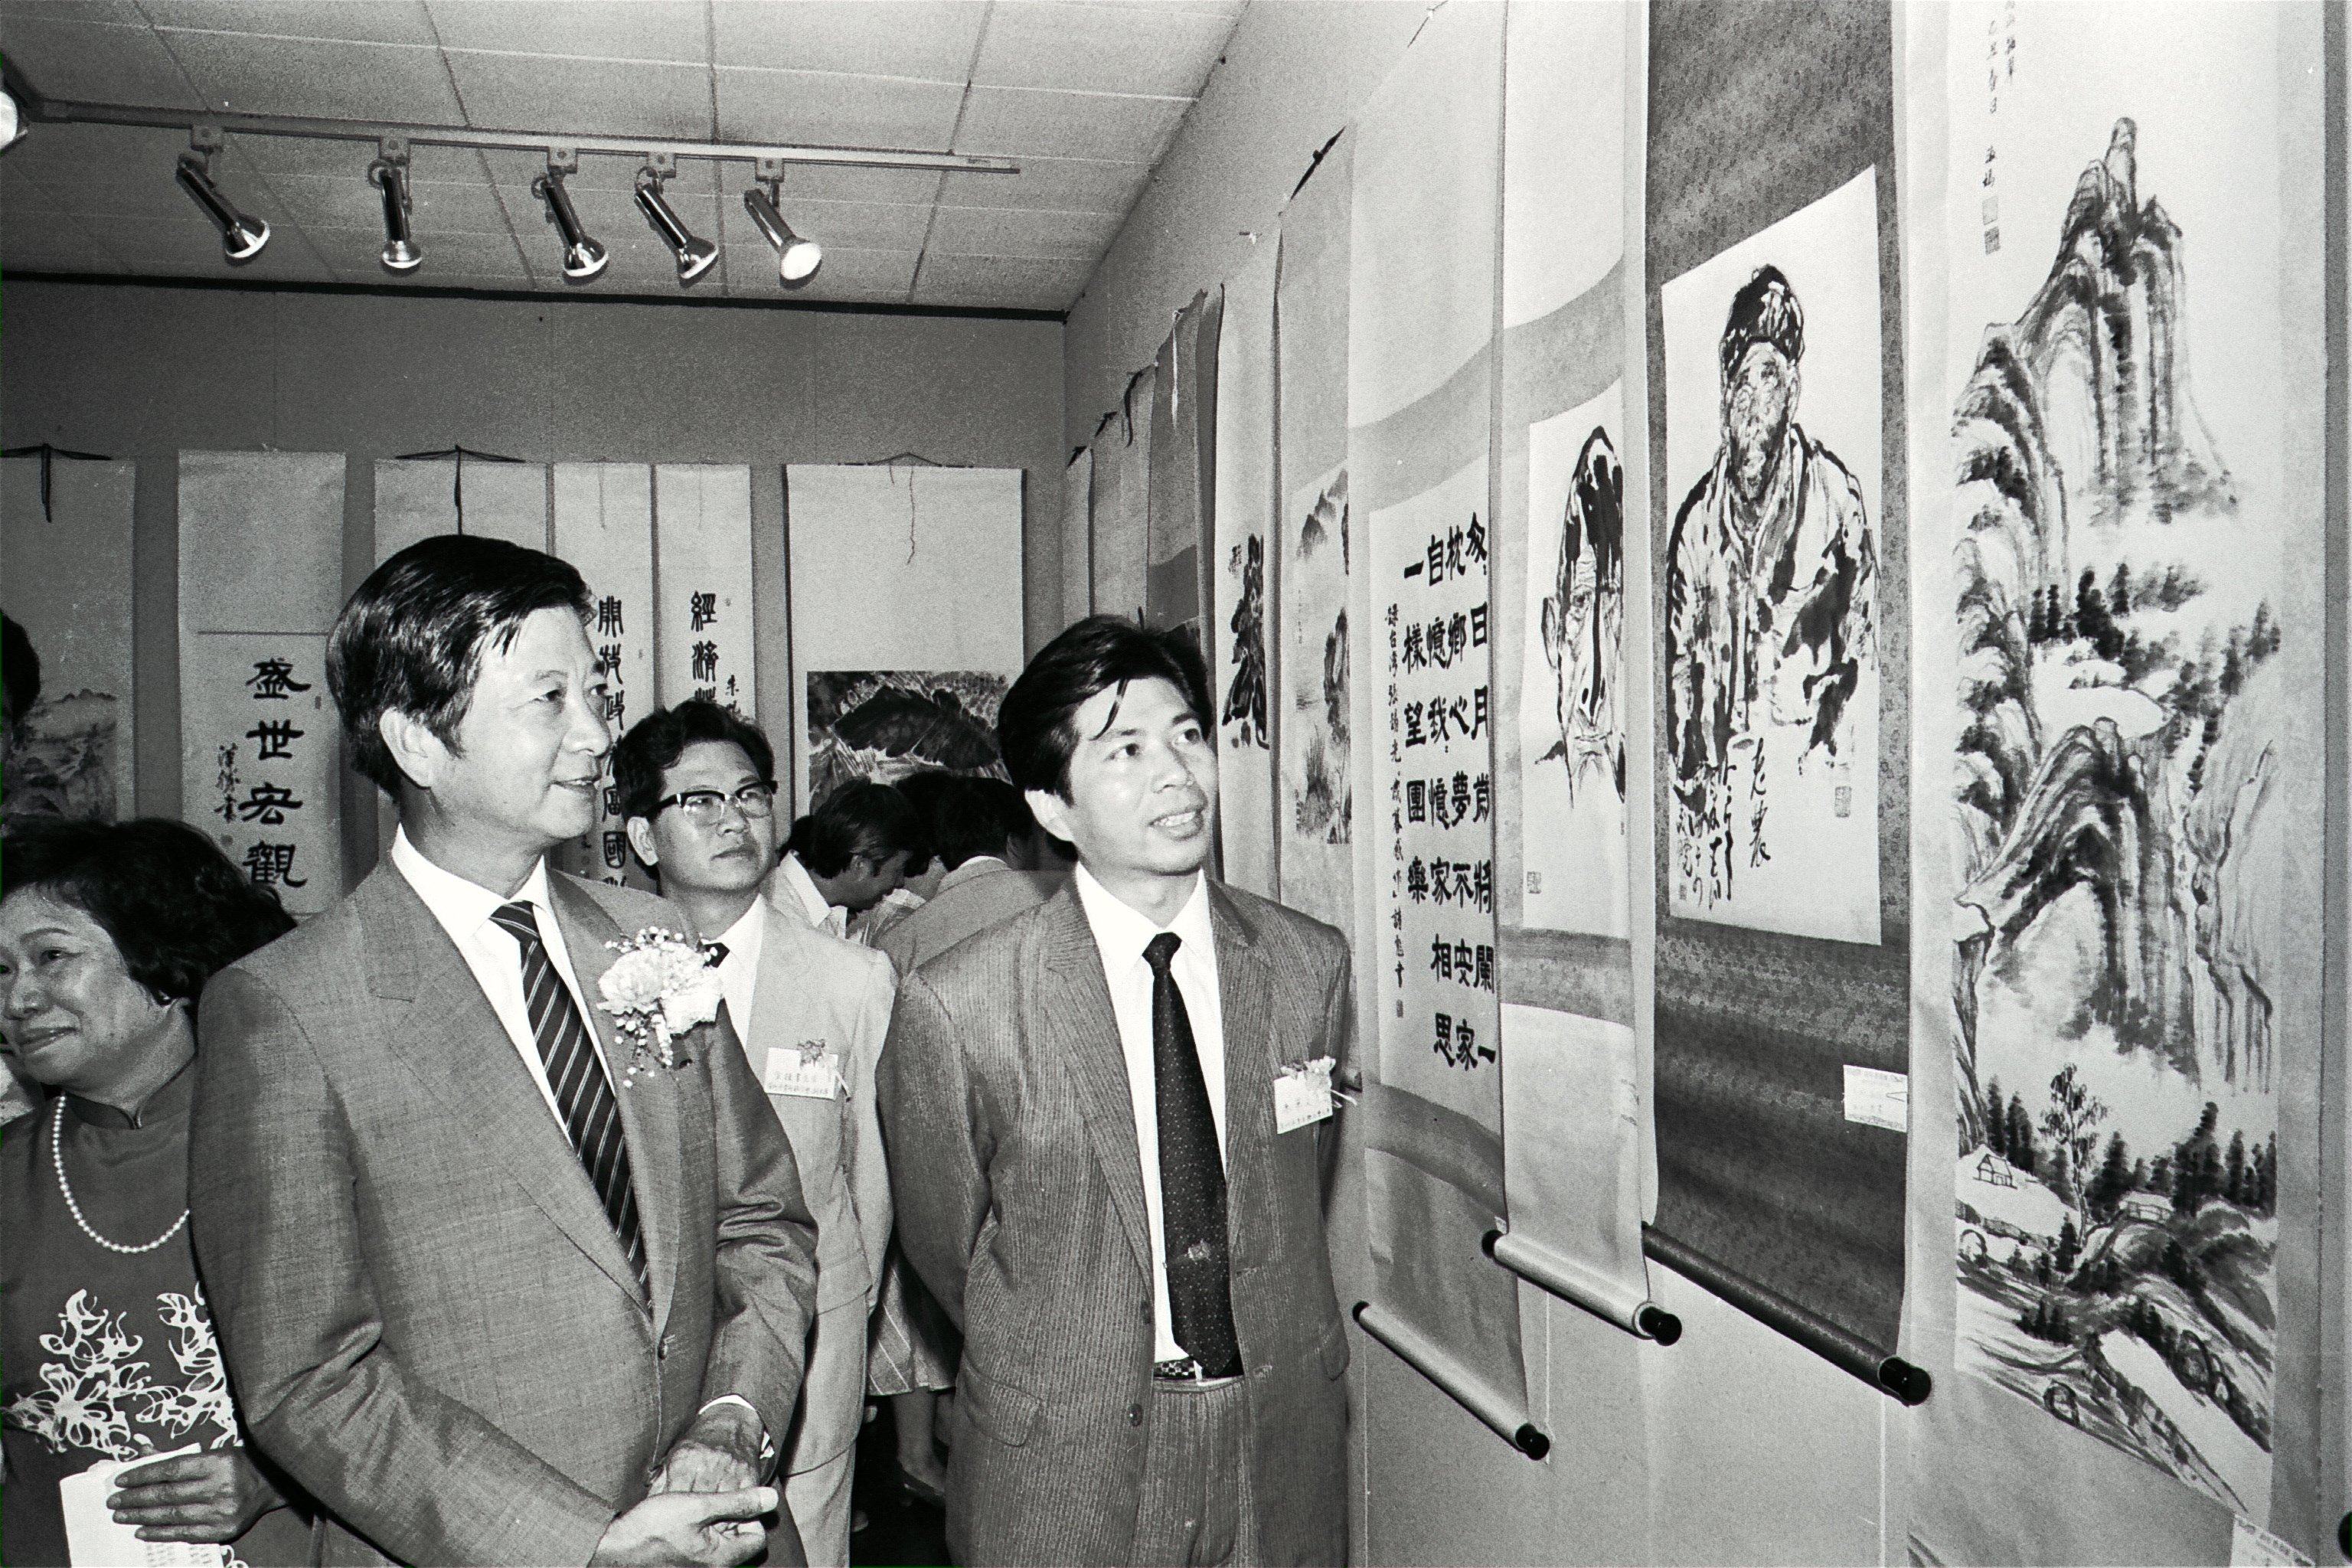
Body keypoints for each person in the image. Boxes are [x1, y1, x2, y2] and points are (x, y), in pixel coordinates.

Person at [188, 535, 817, 1568]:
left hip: (723, 1533)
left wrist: (731, 1420)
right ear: (419, 743)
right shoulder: (288, 1008)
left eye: (595, 692)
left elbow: (764, 1222)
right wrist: (586, 1548)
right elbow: (309, 1380)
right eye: (551, 699)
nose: (599, 732)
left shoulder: (647, 939)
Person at [880, 616, 1353, 1566]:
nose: (1177, 772)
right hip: (1064, 1453)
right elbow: (950, 1249)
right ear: (1054, 807)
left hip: (1274, 1431)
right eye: (1126, 749)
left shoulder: (1308, 963)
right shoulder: (960, 1000)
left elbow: (1294, 1186)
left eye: (1187, 733)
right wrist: (1069, 1337)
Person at [613, 700, 895, 1568]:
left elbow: (875, 1186)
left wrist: (852, 1318)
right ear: (643, 835)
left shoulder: (852, 978)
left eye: (751, 794)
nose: (734, 819)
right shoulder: (599, 973)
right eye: (700, 801)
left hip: (809, 1339)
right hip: (638, 1352)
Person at [0, 818, 310, 1566]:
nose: (20, 997)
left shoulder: (306, 1138)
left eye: (51, 956)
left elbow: (427, 1371)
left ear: (166, 961)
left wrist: (280, 1475)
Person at [1663, 263, 1875, 906]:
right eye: (1742, 379)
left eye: (1771, 376)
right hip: (1717, 829)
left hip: (1807, 824)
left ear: (1795, 387)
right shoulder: (1696, 527)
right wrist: (1692, 773)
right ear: (1725, 394)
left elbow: (1863, 657)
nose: (1755, 398)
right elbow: (1677, 671)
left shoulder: (1837, 502)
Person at [776, 781, 923, 939]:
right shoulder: (779, 920)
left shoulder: (816, 908)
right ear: (860, 866)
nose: (900, 882)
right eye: (898, 870)